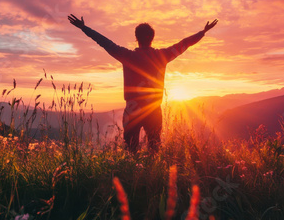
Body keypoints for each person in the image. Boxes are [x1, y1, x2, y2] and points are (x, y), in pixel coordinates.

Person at [68, 14, 218, 153]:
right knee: (154, 147)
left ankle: (132, 178)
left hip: (132, 109)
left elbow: (105, 42)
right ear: (152, 38)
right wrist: (202, 32)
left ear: (136, 38)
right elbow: (184, 44)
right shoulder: (162, 56)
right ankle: (152, 179)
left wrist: (84, 28)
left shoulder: (127, 56)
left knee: (131, 150)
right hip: (154, 109)